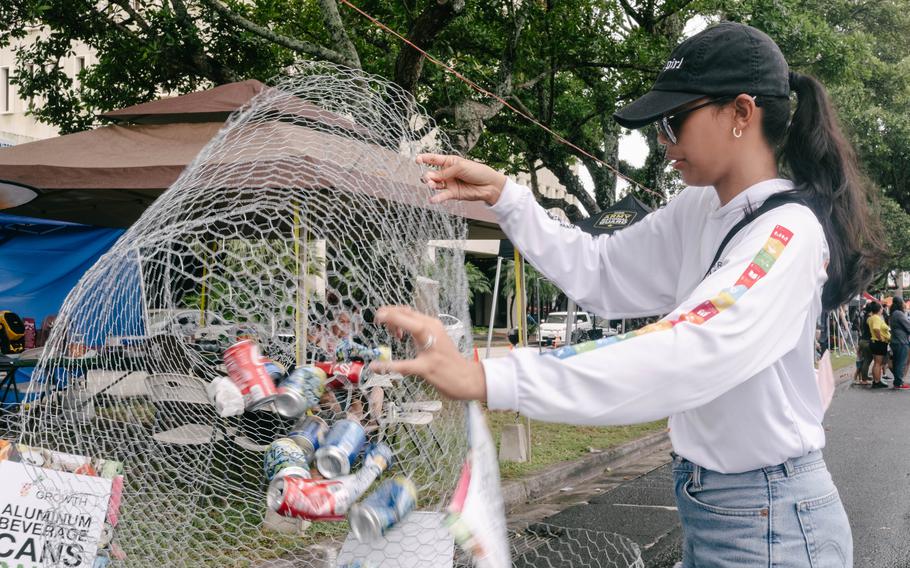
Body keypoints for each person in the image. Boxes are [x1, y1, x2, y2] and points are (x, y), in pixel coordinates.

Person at [372, 22, 886, 567]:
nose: (663, 146)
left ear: (741, 113)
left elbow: (687, 347)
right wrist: (510, 199)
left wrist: (489, 376)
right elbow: (602, 270)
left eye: (672, 122)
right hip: (720, 506)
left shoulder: (786, 235)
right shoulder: (700, 209)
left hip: (771, 521)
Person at [867, 302, 891, 389]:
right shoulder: (876, 318)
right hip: (878, 342)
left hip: (875, 342)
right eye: (881, 308)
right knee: (878, 363)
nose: (882, 310)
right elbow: (876, 329)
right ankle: (877, 381)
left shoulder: (871, 318)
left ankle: (876, 380)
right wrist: (881, 338)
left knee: (876, 363)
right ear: (879, 309)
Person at [887, 296, 910, 389]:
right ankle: (899, 383)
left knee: (897, 362)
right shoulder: (899, 314)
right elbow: (908, 327)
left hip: (895, 340)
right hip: (901, 341)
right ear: (901, 303)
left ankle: (897, 381)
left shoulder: (893, 313)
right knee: (901, 362)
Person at [854, 303, 874, 385]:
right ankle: (864, 379)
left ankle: (862, 377)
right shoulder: (869, 318)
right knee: (867, 360)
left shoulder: (864, 316)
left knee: (862, 361)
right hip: (866, 341)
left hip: (862, 340)